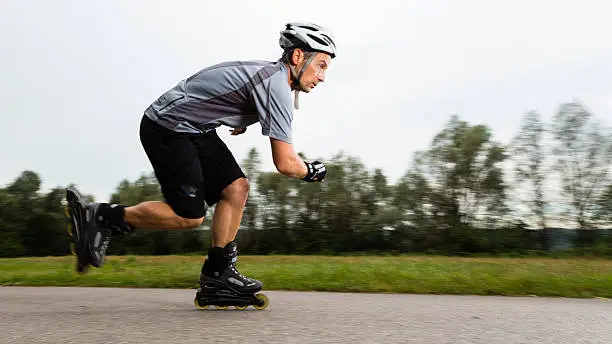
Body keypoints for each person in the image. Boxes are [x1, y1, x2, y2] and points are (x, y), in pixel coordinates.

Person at [66, 22, 336, 297]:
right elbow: (286, 163)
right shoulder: (276, 85)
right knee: (189, 215)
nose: (323, 77)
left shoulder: (271, 76)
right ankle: (99, 216)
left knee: (236, 188)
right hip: (168, 126)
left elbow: (226, 88)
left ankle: (218, 273)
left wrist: (238, 115)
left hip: (195, 127)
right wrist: (312, 171)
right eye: (322, 65)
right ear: (298, 56)